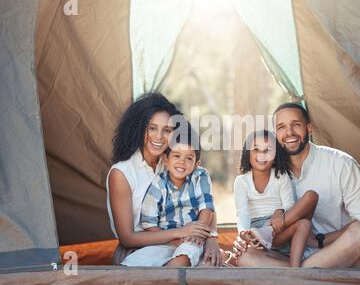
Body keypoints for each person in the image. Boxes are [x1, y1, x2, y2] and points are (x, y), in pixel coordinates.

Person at [233, 103, 360, 268]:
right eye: (281, 127)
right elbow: (245, 213)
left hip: (337, 252)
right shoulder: (268, 171)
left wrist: (320, 240)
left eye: (296, 125)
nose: (289, 132)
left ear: (309, 128)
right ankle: (303, 276)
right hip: (288, 259)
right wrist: (243, 238)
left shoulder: (341, 164)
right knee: (244, 256)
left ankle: (299, 277)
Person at [106, 92, 221, 266]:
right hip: (138, 250)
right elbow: (127, 238)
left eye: (166, 130)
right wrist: (181, 233)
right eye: (152, 128)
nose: (159, 137)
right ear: (138, 127)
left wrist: (211, 240)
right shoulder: (122, 173)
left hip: (185, 243)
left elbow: (205, 202)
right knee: (184, 267)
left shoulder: (172, 161)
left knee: (214, 267)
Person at [121, 124, 216, 267]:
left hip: (192, 240)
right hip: (165, 241)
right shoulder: (158, 183)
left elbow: (207, 207)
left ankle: (167, 277)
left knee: (184, 255)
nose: (181, 162)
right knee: (135, 262)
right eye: (176, 155)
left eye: (189, 158)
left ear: (197, 164)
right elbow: (149, 223)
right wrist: (175, 240)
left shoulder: (200, 176)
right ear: (165, 159)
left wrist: (197, 235)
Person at [233, 130, 319, 267]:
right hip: (256, 233)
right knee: (244, 256)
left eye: (267, 150)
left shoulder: (280, 176)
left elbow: (289, 205)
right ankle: (267, 236)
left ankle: (295, 270)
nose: (262, 154)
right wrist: (243, 233)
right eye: (256, 149)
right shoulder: (242, 181)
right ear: (247, 153)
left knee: (309, 203)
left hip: (280, 227)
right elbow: (242, 212)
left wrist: (278, 212)